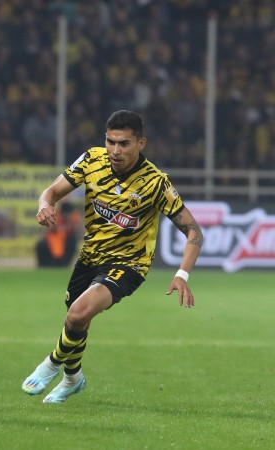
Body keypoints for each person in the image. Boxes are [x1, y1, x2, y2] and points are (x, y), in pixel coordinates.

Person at [22, 110, 203, 403]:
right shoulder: (91, 160)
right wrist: (45, 205)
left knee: (78, 313)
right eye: (111, 142)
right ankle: (73, 378)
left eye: (124, 144)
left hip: (129, 264)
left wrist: (182, 274)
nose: (115, 150)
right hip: (89, 257)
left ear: (141, 143)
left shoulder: (155, 183)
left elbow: (193, 231)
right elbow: (52, 191)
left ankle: (52, 364)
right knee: (76, 320)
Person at [35, 201, 80, 267]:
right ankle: (44, 265)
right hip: (53, 240)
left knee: (72, 241)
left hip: (65, 242)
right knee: (41, 245)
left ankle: (65, 263)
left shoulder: (73, 218)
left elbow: (76, 228)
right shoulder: (54, 215)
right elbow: (49, 228)